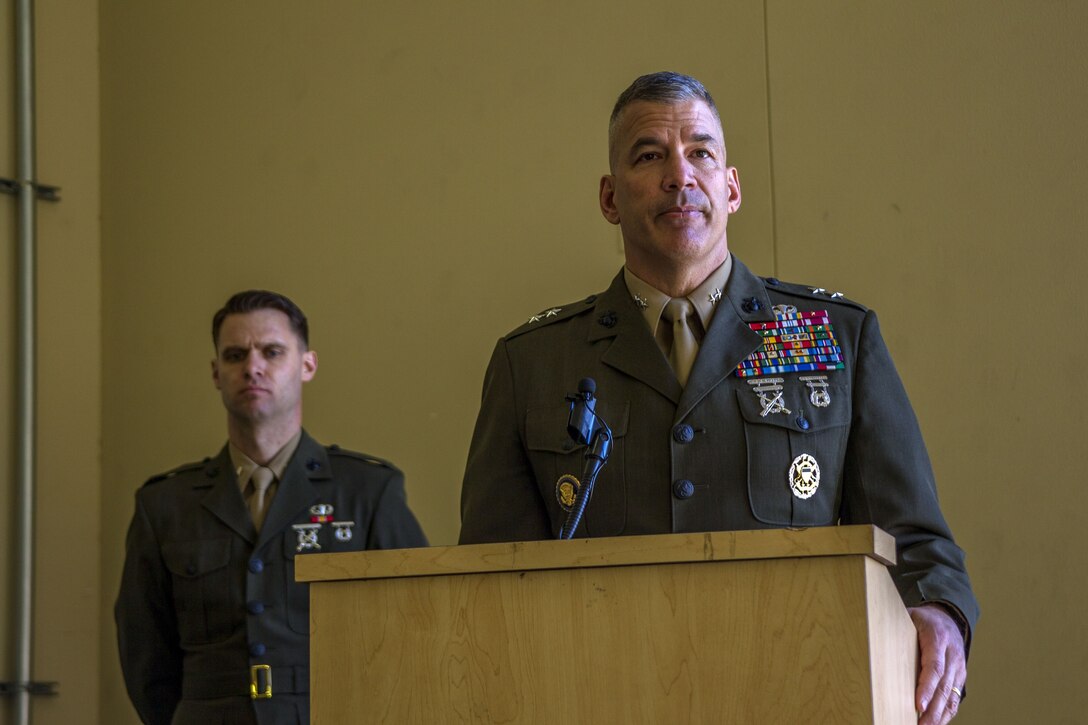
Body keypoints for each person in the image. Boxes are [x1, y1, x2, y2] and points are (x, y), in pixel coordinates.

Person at [459, 72, 977, 725]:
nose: (681, 175)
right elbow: (486, 580)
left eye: (701, 152)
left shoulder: (834, 337)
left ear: (730, 188)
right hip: (602, 699)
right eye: (650, 156)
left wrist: (938, 615)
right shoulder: (532, 363)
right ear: (610, 197)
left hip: (801, 693)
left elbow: (917, 544)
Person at [115, 290, 428, 725]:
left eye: (272, 351)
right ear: (216, 373)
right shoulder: (165, 505)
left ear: (307, 365)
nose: (252, 367)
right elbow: (145, 653)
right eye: (235, 354)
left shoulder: (368, 491)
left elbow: (416, 628)